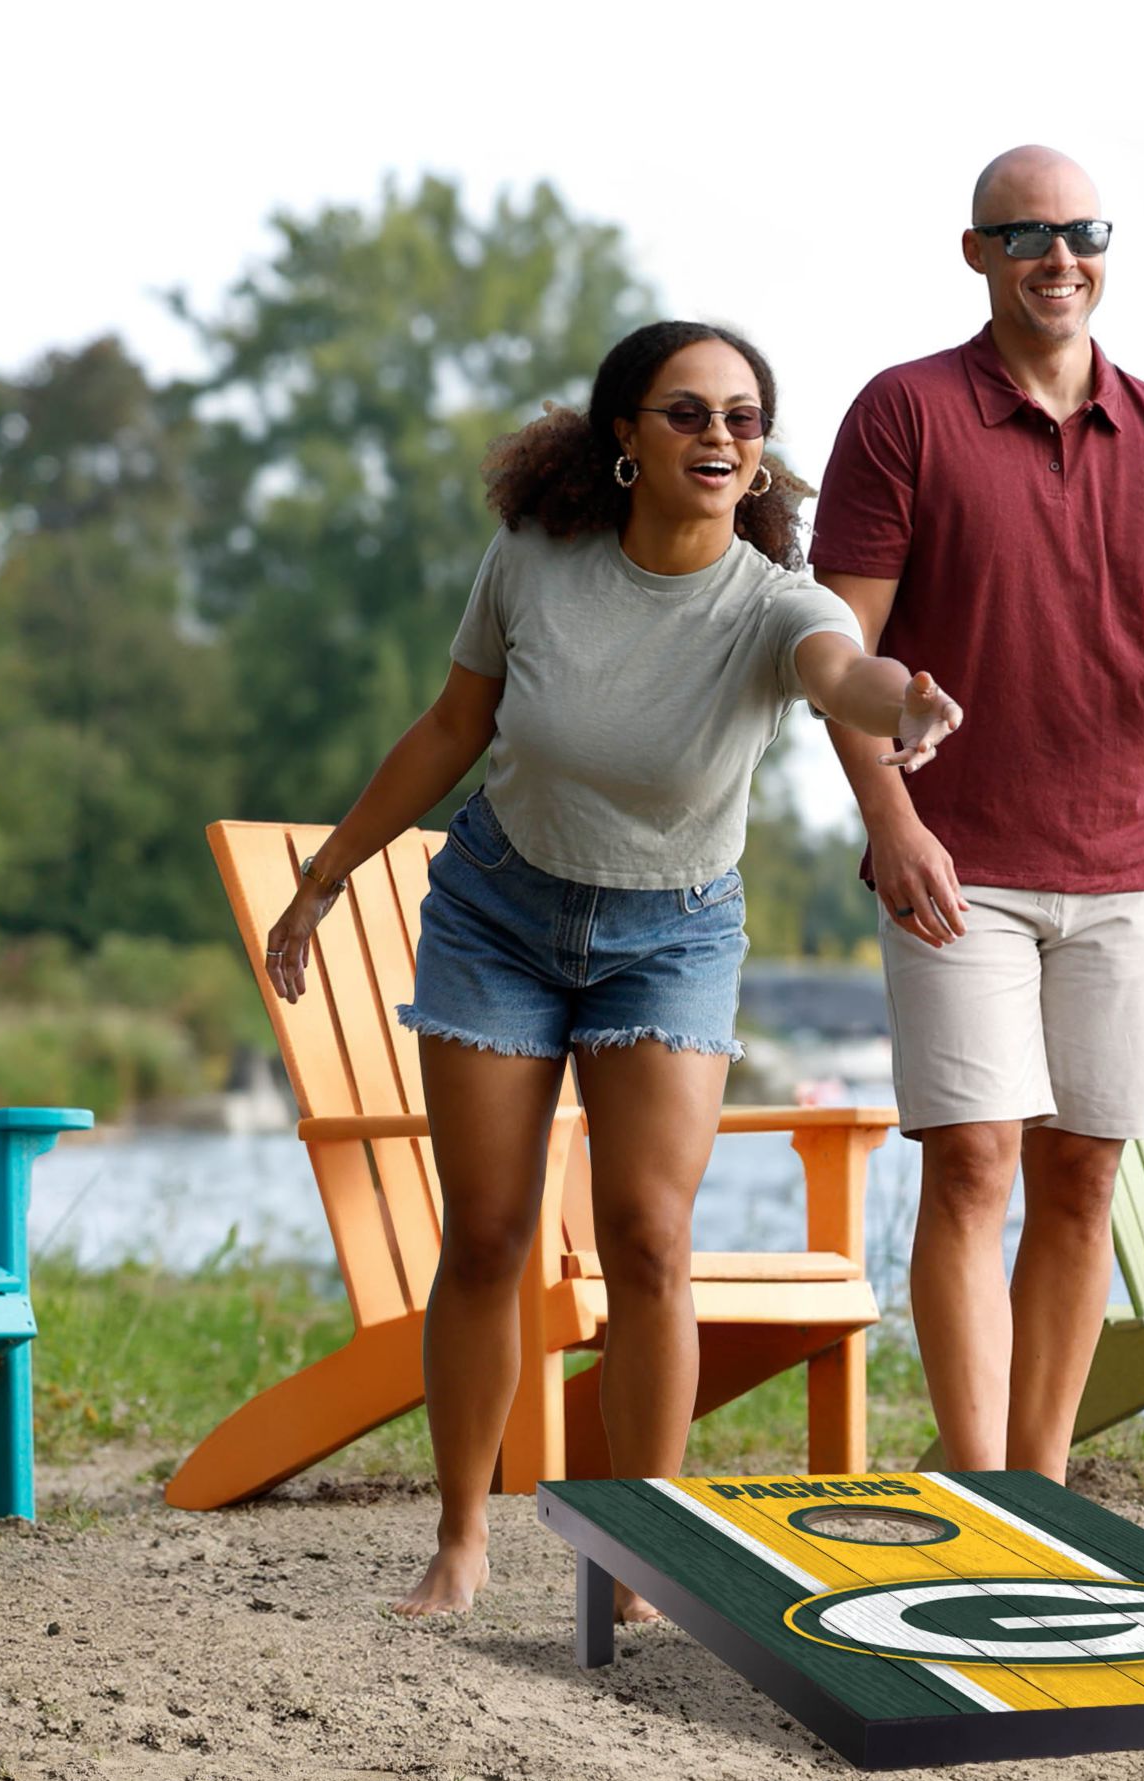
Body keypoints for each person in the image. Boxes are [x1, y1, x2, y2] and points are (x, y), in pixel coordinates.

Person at [262, 320, 962, 1620]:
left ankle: (645, 1550)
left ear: (760, 459)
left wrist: (901, 707)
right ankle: (463, 1539)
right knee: (487, 1234)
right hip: (498, 917)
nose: (718, 438)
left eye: (743, 420)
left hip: (673, 936)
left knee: (649, 1238)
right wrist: (331, 871)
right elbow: (453, 726)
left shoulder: (775, 602)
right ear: (626, 440)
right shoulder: (535, 561)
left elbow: (841, 675)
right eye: (687, 413)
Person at [809, 146, 1144, 1481]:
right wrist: (890, 821)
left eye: (1080, 231)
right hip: (955, 866)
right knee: (975, 1162)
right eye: (1024, 233)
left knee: (1083, 1176)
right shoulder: (902, 416)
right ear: (974, 252)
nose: (1057, 256)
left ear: (1106, 247)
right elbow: (831, 652)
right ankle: (978, 1483)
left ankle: (1038, 1485)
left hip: (1126, 867)